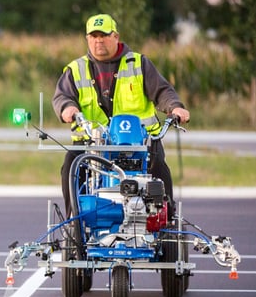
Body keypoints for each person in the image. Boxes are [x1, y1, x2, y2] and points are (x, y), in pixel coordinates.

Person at [52, 13, 190, 219]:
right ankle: (75, 221)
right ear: (87, 39)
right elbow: (62, 96)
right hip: (92, 141)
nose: (98, 41)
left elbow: (162, 91)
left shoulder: (138, 63)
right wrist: (67, 108)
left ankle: (167, 219)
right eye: (94, 36)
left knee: (159, 168)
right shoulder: (76, 69)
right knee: (70, 167)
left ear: (116, 36)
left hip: (139, 141)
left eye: (104, 35)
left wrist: (175, 107)